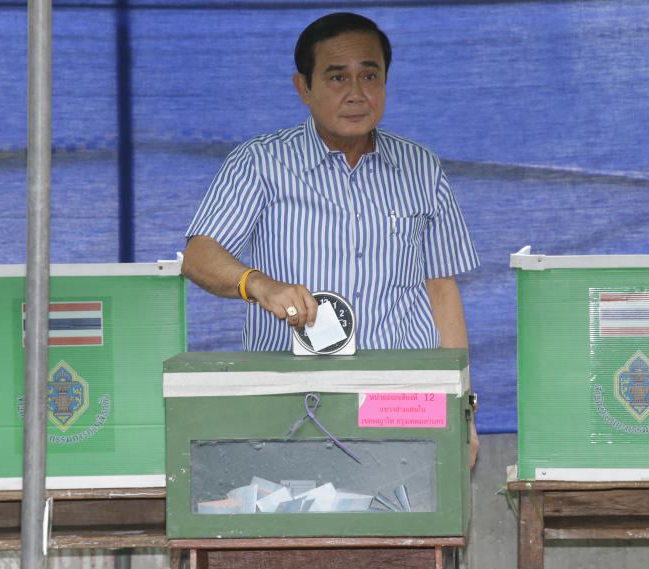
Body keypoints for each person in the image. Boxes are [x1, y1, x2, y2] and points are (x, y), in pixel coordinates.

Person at [182, 12, 480, 461]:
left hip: (397, 401)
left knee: (407, 518)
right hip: (292, 401)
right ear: (303, 88)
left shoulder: (422, 168)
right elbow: (198, 256)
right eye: (337, 77)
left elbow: (440, 289)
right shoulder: (260, 163)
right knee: (298, 517)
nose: (356, 93)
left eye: (369, 75)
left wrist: (464, 410)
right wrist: (260, 285)